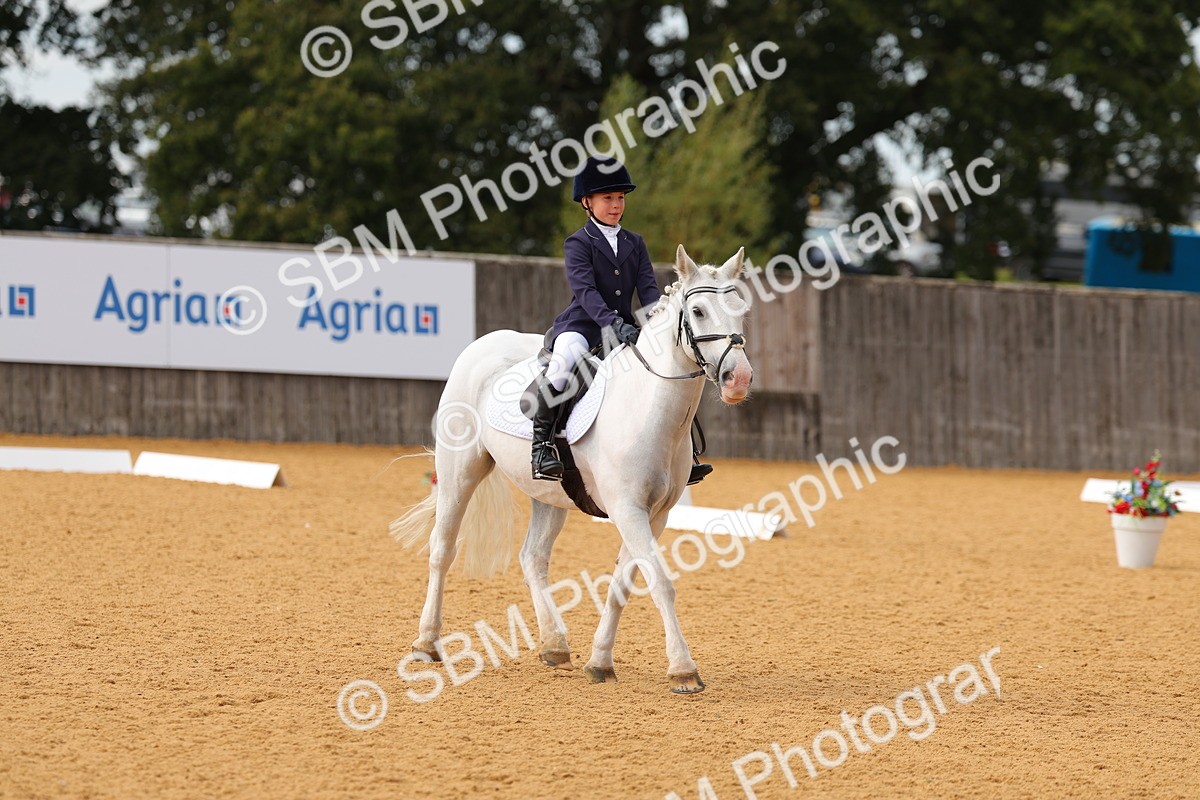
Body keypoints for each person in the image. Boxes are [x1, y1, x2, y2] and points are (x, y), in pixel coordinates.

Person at [531, 155, 713, 486]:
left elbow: (647, 290)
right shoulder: (578, 243)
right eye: (608, 198)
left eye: (620, 198)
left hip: (628, 327)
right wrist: (613, 324)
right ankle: (541, 446)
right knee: (563, 361)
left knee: (670, 364)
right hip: (583, 326)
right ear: (587, 202)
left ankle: (686, 453)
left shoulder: (635, 242)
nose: (616, 205)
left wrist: (659, 324)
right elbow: (585, 292)